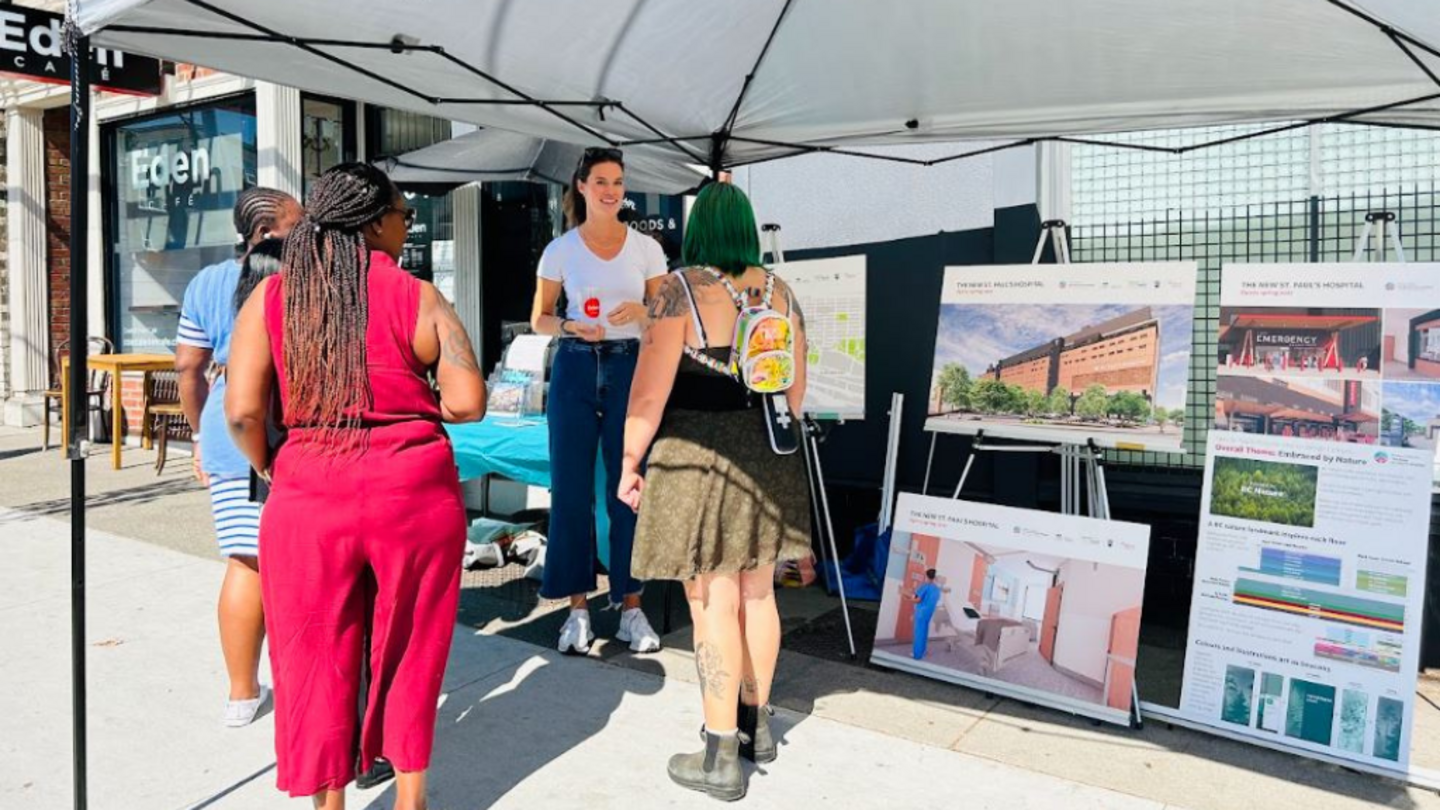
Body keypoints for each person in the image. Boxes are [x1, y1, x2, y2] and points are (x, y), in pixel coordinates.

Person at [226, 163, 485, 809]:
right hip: (413, 490)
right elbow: (467, 400)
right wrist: (409, 403)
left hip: (310, 490)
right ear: (374, 222)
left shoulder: (273, 298)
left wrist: (268, 462)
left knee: (312, 653)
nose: (407, 226)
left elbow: (243, 412)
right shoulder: (418, 295)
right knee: (414, 645)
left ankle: (330, 801)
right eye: (404, 215)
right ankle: (411, 798)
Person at [618, 182, 812, 801]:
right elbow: (796, 393)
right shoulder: (781, 292)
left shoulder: (678, 290)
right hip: (768, 454)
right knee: (759, 594)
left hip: (699, 458)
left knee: (710, 600)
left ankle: (719, 753)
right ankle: (758, 727)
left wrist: (629, 461)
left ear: (699, 228)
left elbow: (648, 393)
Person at [530, 147, 667, 655]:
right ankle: (577, 610)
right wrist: (570, 326)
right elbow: (540, 318)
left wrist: (644, 311)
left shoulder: (646, 248)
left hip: (630, 365)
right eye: (602, 181)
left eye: (618, 181)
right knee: (570, 490)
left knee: (628, 488)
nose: (612, 190)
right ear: (582, 186)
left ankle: (631, 607)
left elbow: (666, 315)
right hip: (574, 364)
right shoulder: (560, 250)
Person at [175, 186, 300, 728]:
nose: (308, 231)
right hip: (288, 425)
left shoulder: (205, 282)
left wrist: (200, 436)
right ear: (266, 231)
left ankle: (242, 695)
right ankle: (300, 688)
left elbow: (188, 368)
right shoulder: (299, 277)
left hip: (228, 426)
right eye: (298, 223)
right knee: (297, 567)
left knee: (245, 561)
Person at [910, 570, 944, 660]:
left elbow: (917, 600)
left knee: (919, 633)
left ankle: (917, 654)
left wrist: (910, 598)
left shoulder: (924, 586)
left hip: (921, 612)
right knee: (924, 632)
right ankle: (923, 651)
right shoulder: (937, 589)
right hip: (928, 613)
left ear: (926, 576)